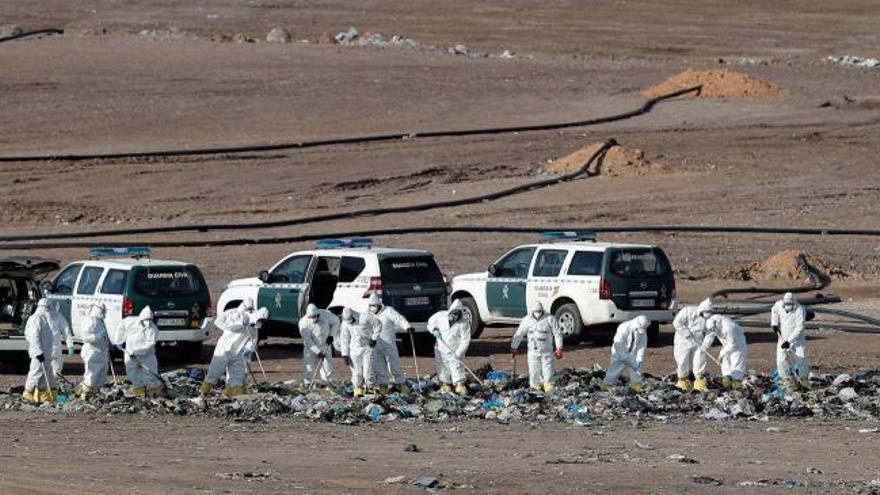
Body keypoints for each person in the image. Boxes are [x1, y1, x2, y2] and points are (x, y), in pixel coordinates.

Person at [201, 299, 257, 397]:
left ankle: (234, 394)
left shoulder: (252, 321)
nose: (249, 311)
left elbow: (252, 339)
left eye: (251, 309)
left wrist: (248, 352)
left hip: (238, 353)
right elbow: (218, 322)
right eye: (248, 309)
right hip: (224, 349)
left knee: (237, 377)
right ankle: (205, 390)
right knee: (215, 371)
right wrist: (239, 323)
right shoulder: (231, 314)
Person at [510, 301, 563, 393]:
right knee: (534, 371)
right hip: (533, 352)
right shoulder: (527, 320)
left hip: (547, 351)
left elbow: (557, 334)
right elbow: (519, 334)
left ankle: (549, 386)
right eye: (536, 312)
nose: (537, 314)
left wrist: (559, 348)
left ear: (543, 311)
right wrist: (514, 346)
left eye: (539, 311)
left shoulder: (550, 319)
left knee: (548, 370)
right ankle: (535, 387)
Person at [367, 292, 412, 394]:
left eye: (374, 305)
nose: (372, 308)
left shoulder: (388, 311)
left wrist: (407, 327)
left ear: (379, 304)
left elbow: (399, 319)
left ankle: (401, 385)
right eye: (370, 306)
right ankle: (383, 387)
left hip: (389, 344)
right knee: (379, 367)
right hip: (375, 345)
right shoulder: (367, 314)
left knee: (394, 365)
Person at [427, 299, 472, 395]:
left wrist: (459, 353)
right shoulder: (440, 316)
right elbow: (430, 323)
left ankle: (459, 385)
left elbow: (465, 340)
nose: (455, 317)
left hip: (455, 350)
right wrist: (434, 329)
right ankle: (445, 384)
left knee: (457, 366)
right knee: (442, 366)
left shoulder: (464, 322)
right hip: (441, 348)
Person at [339, 307, 382, 397]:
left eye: (352, 320)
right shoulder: (345, 324)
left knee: (368, 371)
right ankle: (358, 389)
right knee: (356, 372)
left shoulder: (365, 316)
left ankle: (370, 388)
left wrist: (374, 338)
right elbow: (344, 339)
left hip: (367, 347)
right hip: (354, 349)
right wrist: (344, 354)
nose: (350, 323)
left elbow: (378, 324)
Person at [672, 298, 713, 391]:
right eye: (703, 314)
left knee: (700, 360)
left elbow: (710, 333)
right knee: (682, 360)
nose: (704, 316)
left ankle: (699, 383)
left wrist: (705, 345)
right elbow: (677, 323)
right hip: (683, 341)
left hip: (699, 342)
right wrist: (687, 334)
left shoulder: (710, 319)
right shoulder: (688, 311)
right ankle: (682, 381)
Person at [771, 292, 809, 390]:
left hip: (797, 340)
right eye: (786, 304)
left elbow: (800, 328)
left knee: (801, 360)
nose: (787, 307)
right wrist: (774, 323)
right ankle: (787, 382)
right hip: (782, 338)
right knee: (781, 361)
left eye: (790, 304)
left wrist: (789, 341)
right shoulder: (778, 305)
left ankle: (804, 382)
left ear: (794, 303)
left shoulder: (800, 309)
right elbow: (774, 310)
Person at [120, 306, 160, 398]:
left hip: (147, 355)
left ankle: (150, 394)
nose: (147, 322)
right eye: (145, 319)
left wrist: (137, 352)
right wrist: (119, 340)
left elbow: (150, 344)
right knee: (132, 373)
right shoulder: (130, 321)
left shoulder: (153, 329)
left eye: (149, 319)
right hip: (130, 353)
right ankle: (139, 392)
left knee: (150, 374)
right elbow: (120, 328)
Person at [298, 303, 341, 388]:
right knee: (309, 367)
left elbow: (336, 322)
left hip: (325, 344)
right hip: (311, 348)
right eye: (312, 317)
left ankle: (326, 383)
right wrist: (317, 352)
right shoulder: (303, 323)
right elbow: (308, 341)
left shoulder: (325, 315)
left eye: (316, 316)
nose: (314, 319)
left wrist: (331, 335)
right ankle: (308, 382)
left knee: (327, 365)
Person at [603, 315, 649, 391]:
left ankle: (636, 384)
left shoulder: (642, 330)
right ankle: (607, 384)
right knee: (614, 370)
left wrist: (639, 359)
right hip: (619, 353)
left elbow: (642, 345)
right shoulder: (624, 327)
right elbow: (617, 343)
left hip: (632, 354)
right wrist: (624, 356)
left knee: (636, 370)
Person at [702, 314, 749, 389]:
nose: (715, 331)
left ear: (717, 324)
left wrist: (721, 354)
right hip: (726, 346)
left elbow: (732, 345)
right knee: (725, 364)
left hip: (738, 346)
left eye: (715, 329)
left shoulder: (729, 327)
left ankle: (736, 384)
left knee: (737, 366)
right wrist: (704, 346)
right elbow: (710, 335)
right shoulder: (712, 323)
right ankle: (727, 381)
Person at [23, 299, 55, 403]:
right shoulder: (36, 319)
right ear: (45, 308)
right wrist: (38, 352)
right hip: (39, 353)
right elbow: (33, 337)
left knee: (43, 377)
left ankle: (41, 397)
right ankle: (28, 394)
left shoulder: (44, 319)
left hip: (45, 353)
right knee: (35, 373)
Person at [80, 302, 110, 400]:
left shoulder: (100, 321)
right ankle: (85, 395)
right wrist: (97, 336)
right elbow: (85, 337)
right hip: (92, 352)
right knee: (92, 375)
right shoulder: (91, 320)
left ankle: (94, 395)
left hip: (100, 352)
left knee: (100, 375)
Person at [45, 300, 74, 380]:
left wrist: (70, 345)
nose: (48, 309)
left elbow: (66, 331)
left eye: (49, 307)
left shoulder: (58, 316)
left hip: (56, 349)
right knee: (43, 373)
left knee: (56, 372)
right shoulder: (37, 318)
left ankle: (54, 388)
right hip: (43, 349)